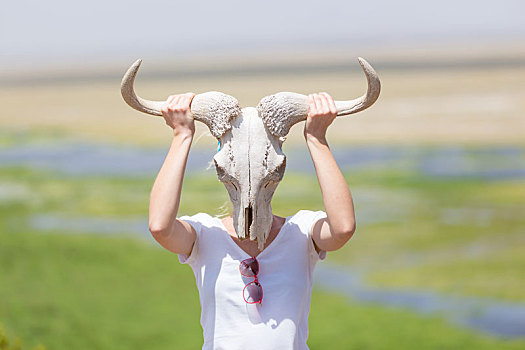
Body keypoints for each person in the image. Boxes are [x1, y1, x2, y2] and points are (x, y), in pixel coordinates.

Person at [148, 92, 356, 350]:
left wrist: (316, 138)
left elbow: (343, 227)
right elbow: (159, 226)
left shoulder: (301, 232)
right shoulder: (205, 235)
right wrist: (181, 136)